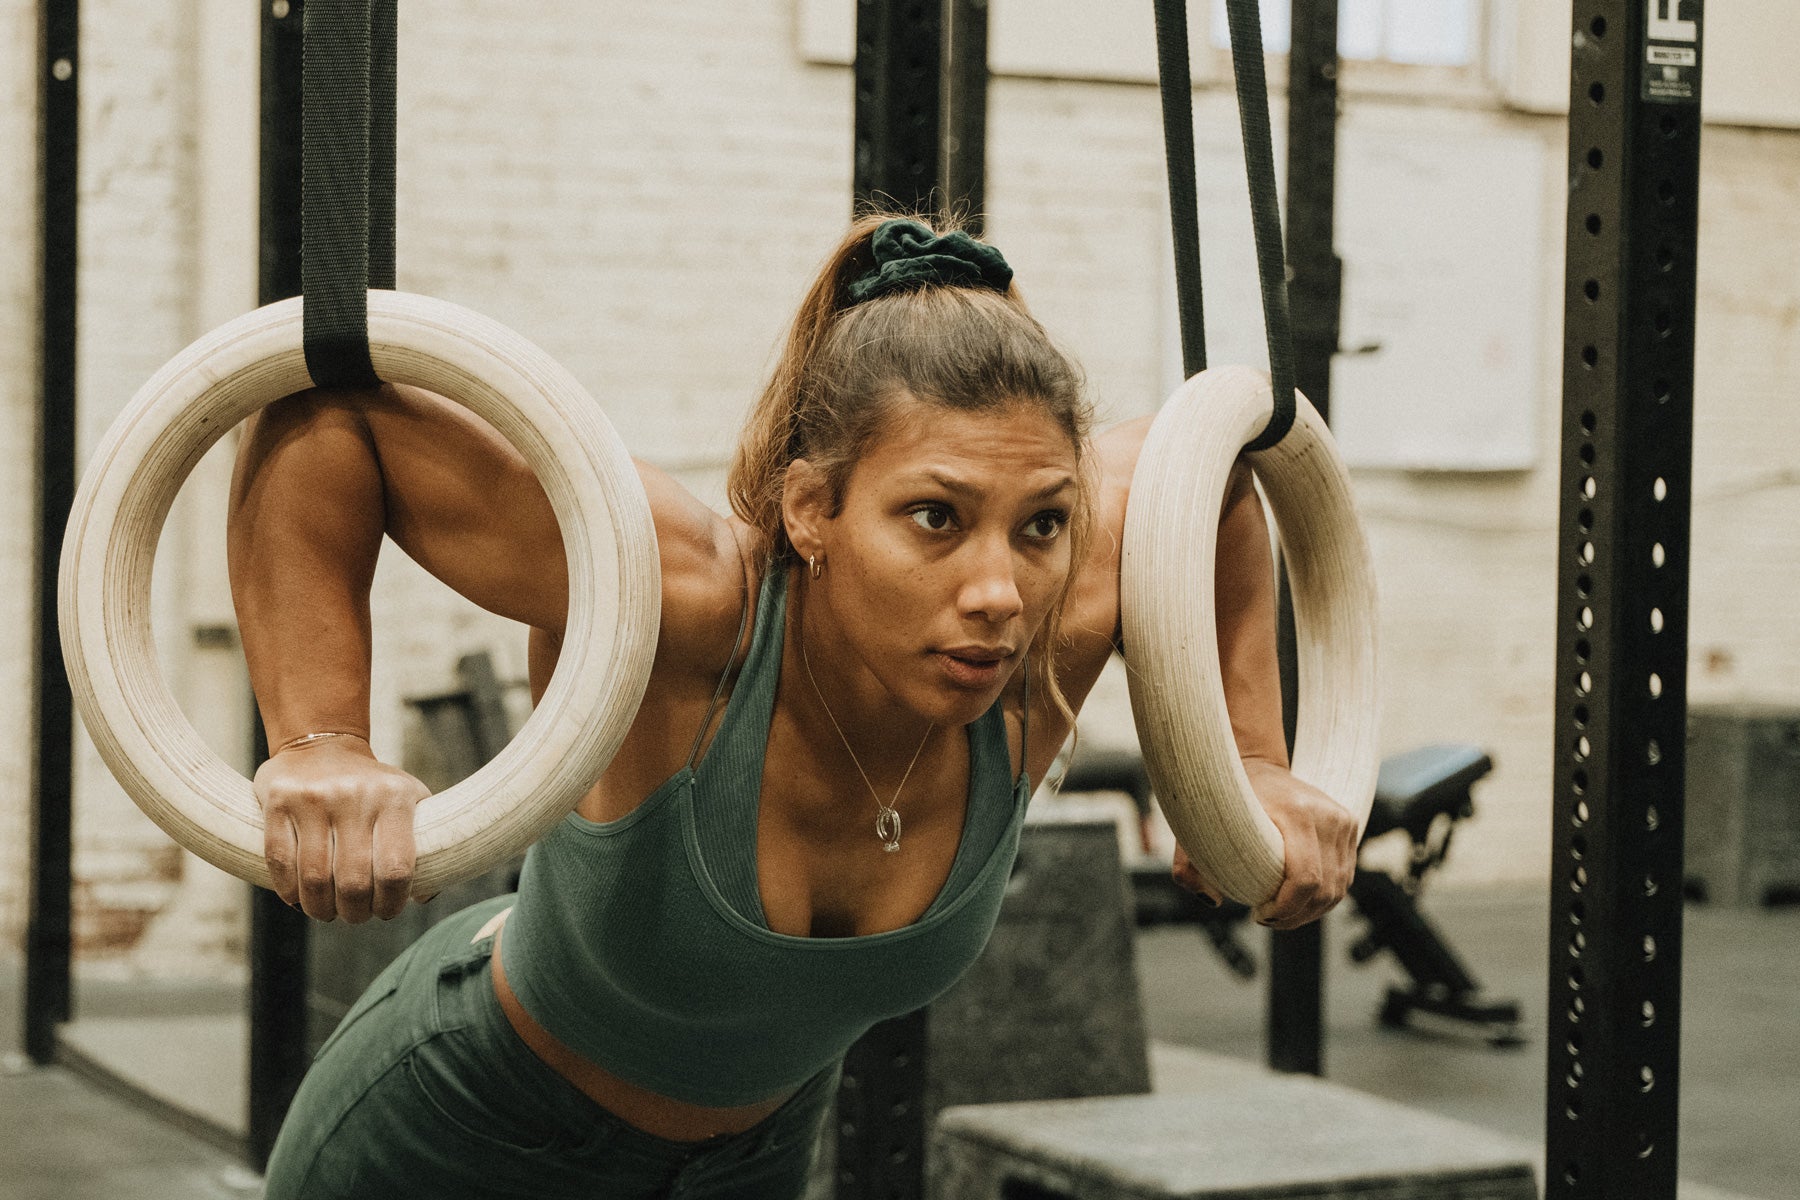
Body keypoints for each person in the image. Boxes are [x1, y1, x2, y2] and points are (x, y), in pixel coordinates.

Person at [229, 214, 1359, 1199]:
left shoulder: (1047, 622)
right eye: (932, 516)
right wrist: (322, 739)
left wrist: (1245, 760)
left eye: (1041, 523)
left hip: (752, 1162)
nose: (997, 592)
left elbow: (1211, 483)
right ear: (812, 506)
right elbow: (334, 418)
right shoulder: (680, 606)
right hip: (464, 1138)